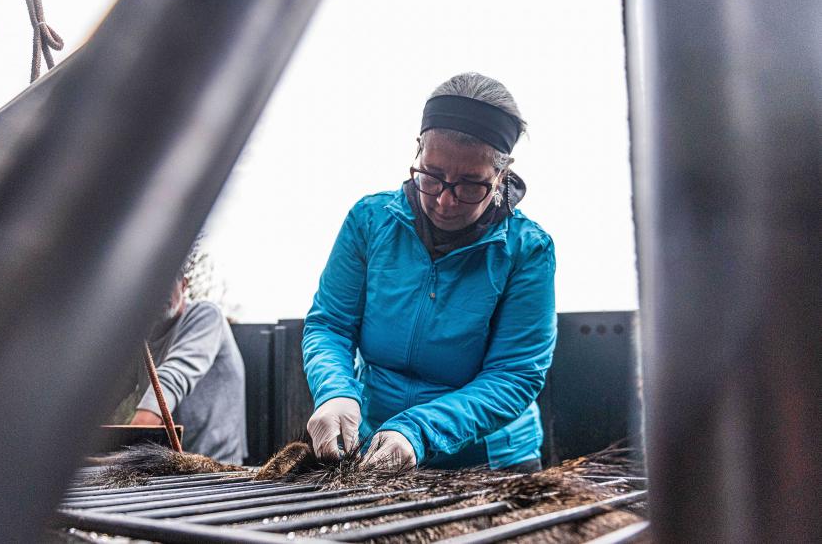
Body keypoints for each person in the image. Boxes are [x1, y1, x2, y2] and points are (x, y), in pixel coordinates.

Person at [303, 72, 556, 471]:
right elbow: (330, 324)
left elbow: (514, 374)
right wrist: (335, 392)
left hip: (490, 461)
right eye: (432, 176)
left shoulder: (528, 250)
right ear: (418, 150)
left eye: (470, 185)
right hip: (377, 445)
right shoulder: (368, 221)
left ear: (501, 176)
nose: (444, 201)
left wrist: (419, 431)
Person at [111, 276, 248, 463]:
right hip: (169, 462)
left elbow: (172, 377)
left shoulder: (206, 316)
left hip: (215, 464)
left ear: (184, 285)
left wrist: (133, 442)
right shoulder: (143, 336)